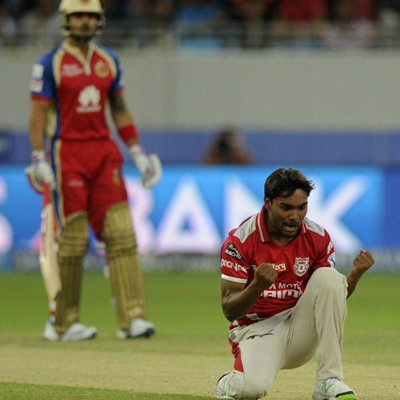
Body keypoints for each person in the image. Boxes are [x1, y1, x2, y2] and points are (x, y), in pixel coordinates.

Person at [27, 0, 162, 341]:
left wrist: (137, 151)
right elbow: (39, 114)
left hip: (104, 151)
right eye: (78, 16)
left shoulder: (108, 61)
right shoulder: (50, 64)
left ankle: (133, 318)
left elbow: (119, 108)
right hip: (66, 151)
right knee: (71, 240)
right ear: (65, 21)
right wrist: (37, 157)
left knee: (122, 234)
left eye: (90, 16)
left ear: (99, 21)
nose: (84, 22)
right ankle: (63, 322)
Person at [215, 168, 374, 400]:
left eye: (302, 207)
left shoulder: (317, 237)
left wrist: (355, 276)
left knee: (330, 278)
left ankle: (328, 380)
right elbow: (230, 310)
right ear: (268, 203)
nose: (295, 216)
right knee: (250, 390)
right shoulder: (240, 240)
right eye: (286, 207)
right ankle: (229, 382)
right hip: (258, 329)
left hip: (301, 327)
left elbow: (330, 297)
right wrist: (257, 285)